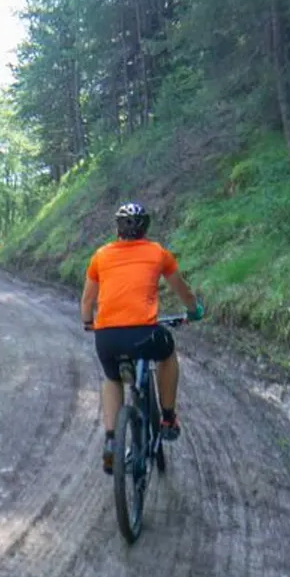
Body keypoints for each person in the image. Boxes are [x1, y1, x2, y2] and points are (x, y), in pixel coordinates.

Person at [80, 202, 203, 474]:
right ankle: (168, 418)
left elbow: (87, 299)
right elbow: (182, 289)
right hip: (144, 334)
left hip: (107, 337)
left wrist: (89, 322)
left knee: (112, 379)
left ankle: (112, 442)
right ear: (146, 227)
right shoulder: (158, 253)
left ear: (117, 228)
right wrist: (194, 311)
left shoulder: (100, 256)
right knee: (167, 353)